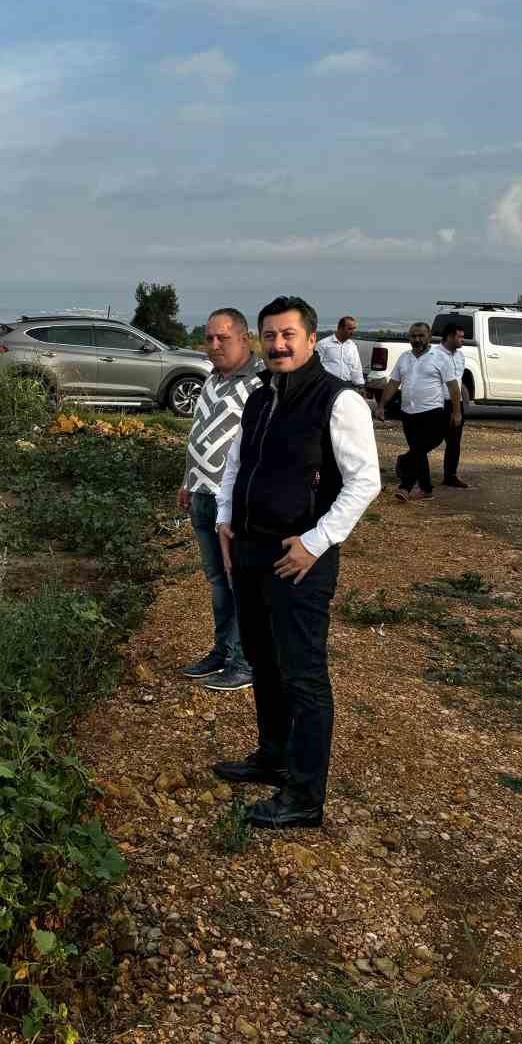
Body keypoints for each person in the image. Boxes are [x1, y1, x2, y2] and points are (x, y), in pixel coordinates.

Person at [212, 296, 380, 829]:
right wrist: (224, 519)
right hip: (251, 550)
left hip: (300, 558)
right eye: (270, 335)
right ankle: (273, 755)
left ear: (311, 339)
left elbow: (364, 482)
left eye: (288, 335)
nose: (278, 344)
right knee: (263, 660)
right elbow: (239, 463)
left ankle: (305, 797)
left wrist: (317, 541)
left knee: (304, 676)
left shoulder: (337, 400)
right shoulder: (261, 396)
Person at [177, 308, 266, 690]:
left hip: (232, 503)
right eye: (209, 337)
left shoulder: (262, 384)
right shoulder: (212, 378)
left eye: (223, 338)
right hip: (200, 494)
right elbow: (199, 433)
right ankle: (222, 650)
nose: (214, 345)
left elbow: (262, 449)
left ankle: (246, 662)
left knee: (240, 584)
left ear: (245, 339)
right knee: (217, 581)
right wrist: (187, 480)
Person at [377, 322, 460, 501]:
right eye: (413, 336)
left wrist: (456, 412)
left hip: (433, 412)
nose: (417, 339)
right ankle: (426, 489)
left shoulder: (439, 357)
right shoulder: (404, 358)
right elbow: (393, 384)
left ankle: (405, 487)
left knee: (418, 449)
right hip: (408, 413)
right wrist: (381, 405)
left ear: (429, 337)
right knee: (418, 451)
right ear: (409, 338)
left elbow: (453, 387)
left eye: (421, 336)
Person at [438, 323, 470, 488]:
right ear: (449, 336)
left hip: (455, 403)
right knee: (431, 439)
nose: (462, 340)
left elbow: (458, 381)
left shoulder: (460, 356)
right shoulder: (435, 355)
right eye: (460, 336)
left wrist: (458, 407)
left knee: (454, 441)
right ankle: (407, 464)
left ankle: (450, 476)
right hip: (438, 403)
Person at [315, 316, 365, 388]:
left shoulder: (352, 346)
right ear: (340, 328)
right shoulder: (323, 344)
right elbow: (316, 366)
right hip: (328, 385)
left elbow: (356, 367)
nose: (353, 332)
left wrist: (360, 385)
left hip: (347, 385)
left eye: (354, 329)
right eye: (350, 329)